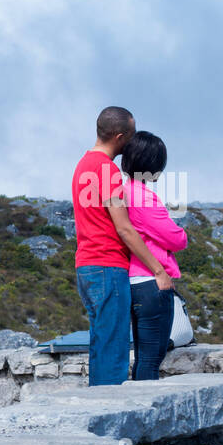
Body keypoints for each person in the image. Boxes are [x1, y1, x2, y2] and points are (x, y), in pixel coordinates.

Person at [71, 106, 172, 386]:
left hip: (86, 266)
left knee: (101, 343)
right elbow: (124, 228)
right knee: (114, 349)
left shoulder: (83, 164)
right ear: (119, 137)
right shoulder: (107, 171)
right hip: (107, 266)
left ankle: (96, 410)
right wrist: (158, 269)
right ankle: (108, 417)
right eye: (131, 134)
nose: (133, 140)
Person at [122, 131, 187, 380]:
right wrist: (182, 233)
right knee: (152, 358)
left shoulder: (124, 191)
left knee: (143, 356)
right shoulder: (143, 196)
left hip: (135, 280)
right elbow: (175, 238)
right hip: (152, 282)